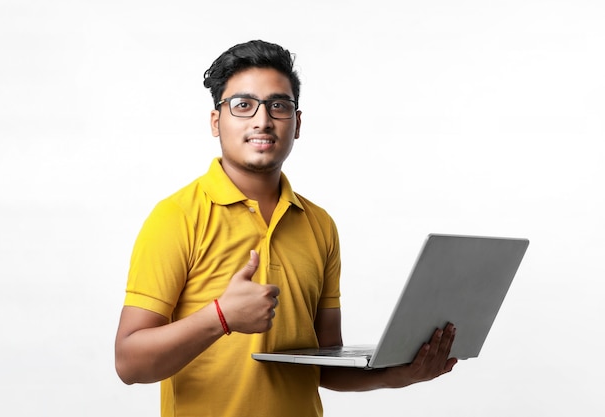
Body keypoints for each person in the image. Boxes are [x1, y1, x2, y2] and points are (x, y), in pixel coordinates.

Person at [114, 39, 458, 417]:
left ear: (296, 124)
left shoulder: (319, 225)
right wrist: (221, 317)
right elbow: (130, 363)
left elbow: (323, 362)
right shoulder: (176, 217)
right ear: (216, 122)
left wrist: (399, 374)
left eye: (278, 105)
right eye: (243, 105)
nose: (263, 120)